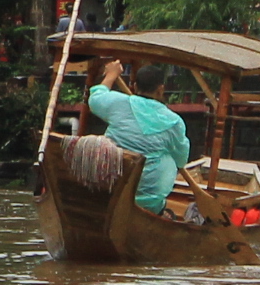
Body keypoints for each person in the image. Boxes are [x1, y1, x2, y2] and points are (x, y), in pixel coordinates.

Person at [78, 59, 194, 215]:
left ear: (134, 86)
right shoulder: (174, 122)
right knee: (169, 158)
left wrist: (111, 75)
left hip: (110, 190)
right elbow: (181, 160)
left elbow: (96, 97)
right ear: (161, 90)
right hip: (148, 200)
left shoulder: (118, 103)